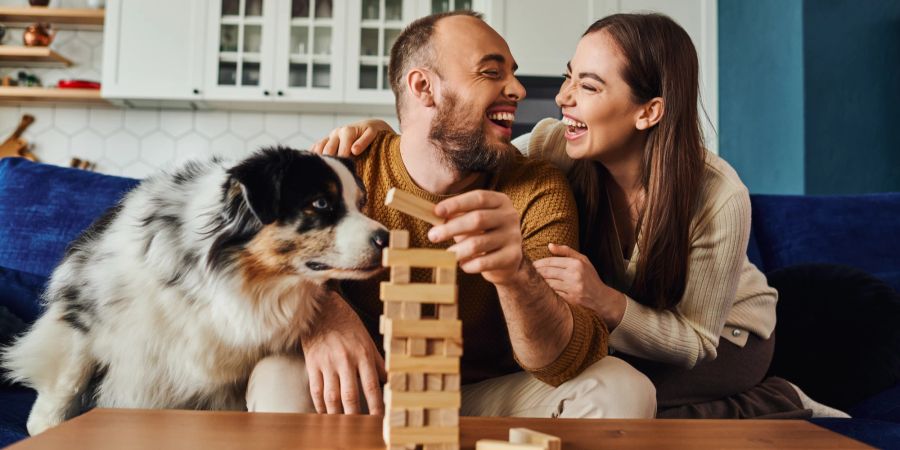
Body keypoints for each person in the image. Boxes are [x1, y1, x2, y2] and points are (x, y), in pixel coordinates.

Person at [313, 13, 849, 419]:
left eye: (588, 86)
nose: (560, 98)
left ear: (649, 111)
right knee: (603, 377)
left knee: (633, 399)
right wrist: (384, 137)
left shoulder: (718, 194)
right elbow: (460, 147)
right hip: (614, 329)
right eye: (570, 78)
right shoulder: (553, 148)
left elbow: (695, 340)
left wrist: (604, 300)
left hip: (719, 338)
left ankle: (779, 400)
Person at [246, 11, 657, 419]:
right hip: (368, 388)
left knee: (621, 387)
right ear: (424, 87)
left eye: (512, 73)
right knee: (277, 375)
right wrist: (322, 316)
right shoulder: (346, 168)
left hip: (481, 397)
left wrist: (515, 274)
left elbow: (557, 360)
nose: (516, 88)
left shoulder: (538, 187)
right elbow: (252, 257)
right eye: (491, 72)